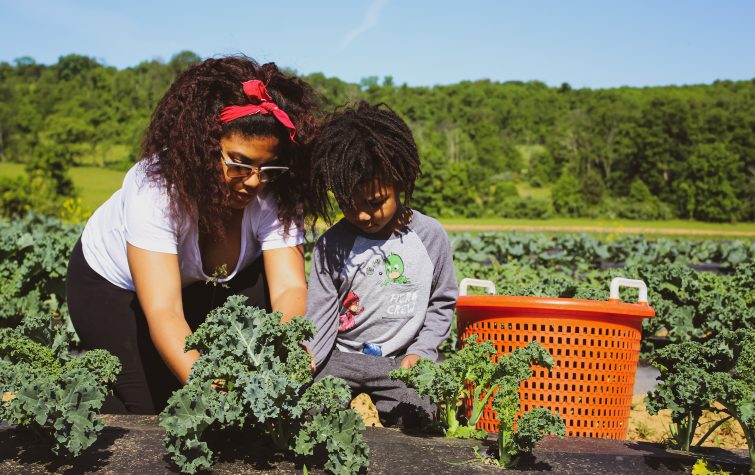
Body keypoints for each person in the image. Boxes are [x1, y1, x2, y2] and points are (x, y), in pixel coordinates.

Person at [66, 56, 326, 414]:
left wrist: (285, 347)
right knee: (152, 409)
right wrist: (211, 390)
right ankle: (68, 392)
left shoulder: (275, 190)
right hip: (111, 289)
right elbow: (164, 311)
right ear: (204, 150)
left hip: (199, 286)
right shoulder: (155, 190)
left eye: (266, 167)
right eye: (238, 164)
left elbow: (289, 288)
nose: (253, 181)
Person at [305, 101, 458, 425]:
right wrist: (308, 359)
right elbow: (319, 315)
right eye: (348, 203)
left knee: (421, 415)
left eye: (375, 203)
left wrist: (423, 351)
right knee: (311, 414)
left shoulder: (430, 237)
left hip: (400, 360)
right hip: (338, 359)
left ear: (399, 181)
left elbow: (442, 301)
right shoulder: (331, 245)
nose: (361, 215)